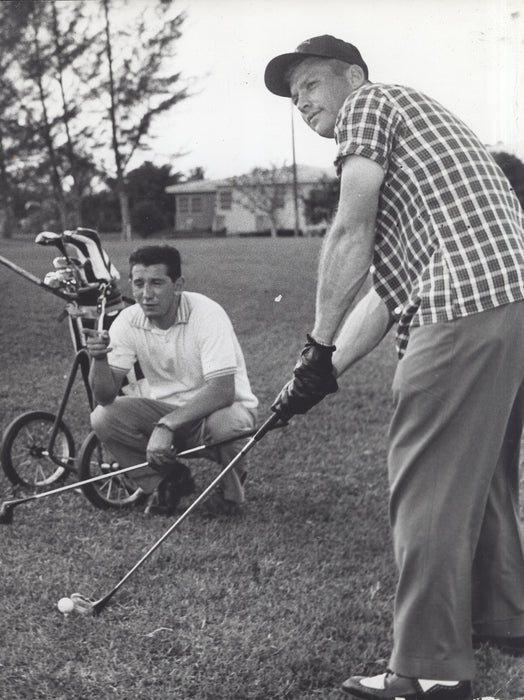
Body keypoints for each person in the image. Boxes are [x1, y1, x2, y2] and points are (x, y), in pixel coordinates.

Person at [264, 35, 524, 700]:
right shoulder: (413, 132)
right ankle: (503, 618)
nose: (303, 103)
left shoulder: (369, 107)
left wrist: (316, 346)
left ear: (350, 76)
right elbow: (384, 289)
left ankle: (433, 671)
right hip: (508, 303)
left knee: (427, 487)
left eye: (311, 86)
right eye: (294, 98)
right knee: (482, 468)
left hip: (462, 305)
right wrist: (317, 377)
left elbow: (348, 233)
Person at [83, 244, 258, 517]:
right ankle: (170, 480)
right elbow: (104, 397)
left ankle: (231, 491)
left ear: (177, 285)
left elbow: (223, 391)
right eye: (138, 283)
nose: (146, 294)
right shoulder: (127, 321)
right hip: (170, 413)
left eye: (156, 283)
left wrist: (166, 426)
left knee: (226, 424)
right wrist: (99, 360)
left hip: (220, 412)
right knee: (103, 417)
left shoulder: (207, 313)